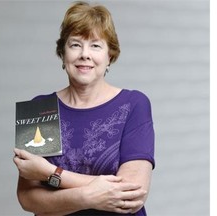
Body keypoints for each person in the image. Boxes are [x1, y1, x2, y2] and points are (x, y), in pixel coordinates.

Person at [13, 1, 155, 215]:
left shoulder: (134, 104)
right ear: (63, 53)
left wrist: (50, 173)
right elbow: (27, 198)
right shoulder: (40, 108)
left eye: (95, 45)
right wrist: (87, 196)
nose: (84, 54)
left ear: (110, 56)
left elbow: (131, 194)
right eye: (75, 44)